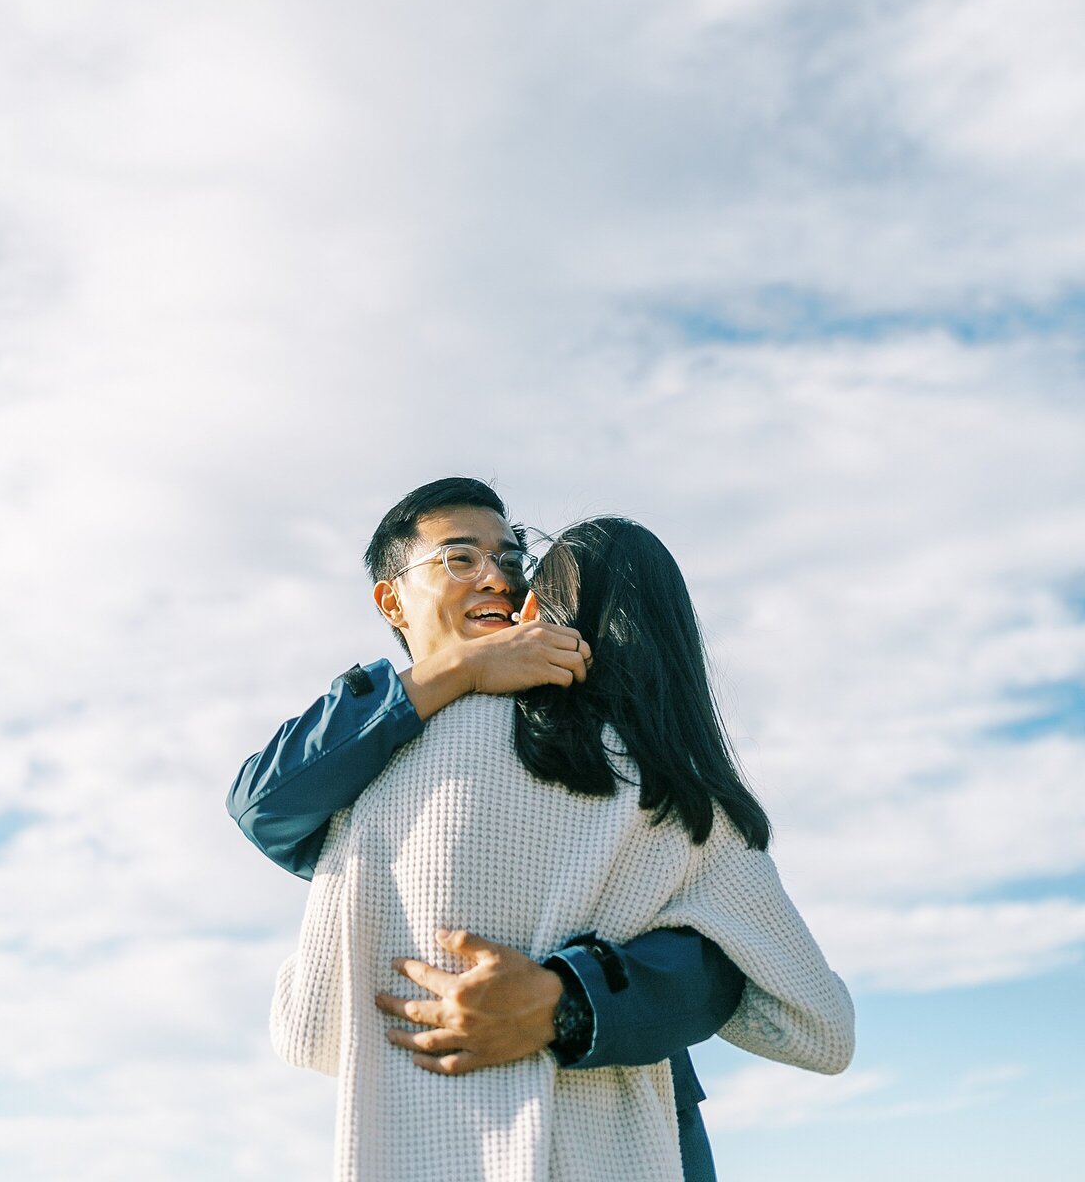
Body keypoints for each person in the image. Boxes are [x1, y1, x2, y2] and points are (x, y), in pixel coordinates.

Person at [228, 480, 854, 1179]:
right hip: (623, 1130)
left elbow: (306, 1026)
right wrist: (457, 672)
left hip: (491, 1127)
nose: (498, 574)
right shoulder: (378, 755)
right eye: (460, 559)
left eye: (512, 557)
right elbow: (263, 800)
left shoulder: (396, 779)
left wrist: (567, 999)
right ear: (392, 600)